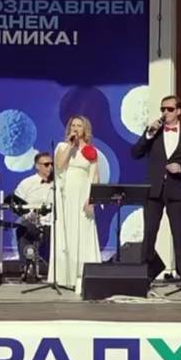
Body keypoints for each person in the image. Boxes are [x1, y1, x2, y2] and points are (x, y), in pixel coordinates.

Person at [132, 94, 181, 289]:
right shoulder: (154, 133)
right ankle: (145, 276)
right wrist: (148, 134)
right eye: (162, 109)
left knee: (179, 234)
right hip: (154, 191)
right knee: (149, 233)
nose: (165, 112)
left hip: (176, 190)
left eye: (169, 109)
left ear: (178, 111)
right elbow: (135, 153)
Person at [53, 116, 102, 294]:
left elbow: (94, 176)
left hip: (83, 194)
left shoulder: (91, 151)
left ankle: (83, 274)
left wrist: (92, 199)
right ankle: (66, 276)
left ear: (85, 129)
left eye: (79, 126)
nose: (75, 128)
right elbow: (59, 165)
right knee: (68, 231)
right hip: (67, 195)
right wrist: (70, 146)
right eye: (72, 125)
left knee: (84, 230)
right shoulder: (62, 147)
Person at [12, 151, 56, 275]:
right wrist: (28, 215)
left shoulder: (58, 183)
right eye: (46, 164)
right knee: (23, 228)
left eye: (52, 164)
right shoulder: (27, 183)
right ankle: (27, 267)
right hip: (31, 221)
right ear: (37, 166)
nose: (50, 167)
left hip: (52, 223)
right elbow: (16, 204)